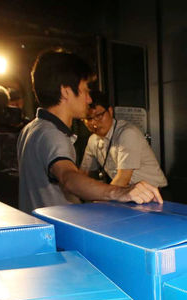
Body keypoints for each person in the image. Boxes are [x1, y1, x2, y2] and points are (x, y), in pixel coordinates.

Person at [17, 49, 161, 213]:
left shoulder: (31, 128)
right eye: (85, 90)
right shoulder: (53, 134)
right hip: (58, 227)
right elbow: (69, 178)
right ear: (66, 91)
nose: (89, 99)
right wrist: (120, 192)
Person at [80, 90, 168, 194]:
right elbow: (84, 173)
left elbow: (123, 178)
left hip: (154, 192)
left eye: (99, 116)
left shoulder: (127, 133)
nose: (94, 123)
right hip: (128, 193)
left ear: (110, 111)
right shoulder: (93, 140)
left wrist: (101, 200)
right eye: (88, 119)